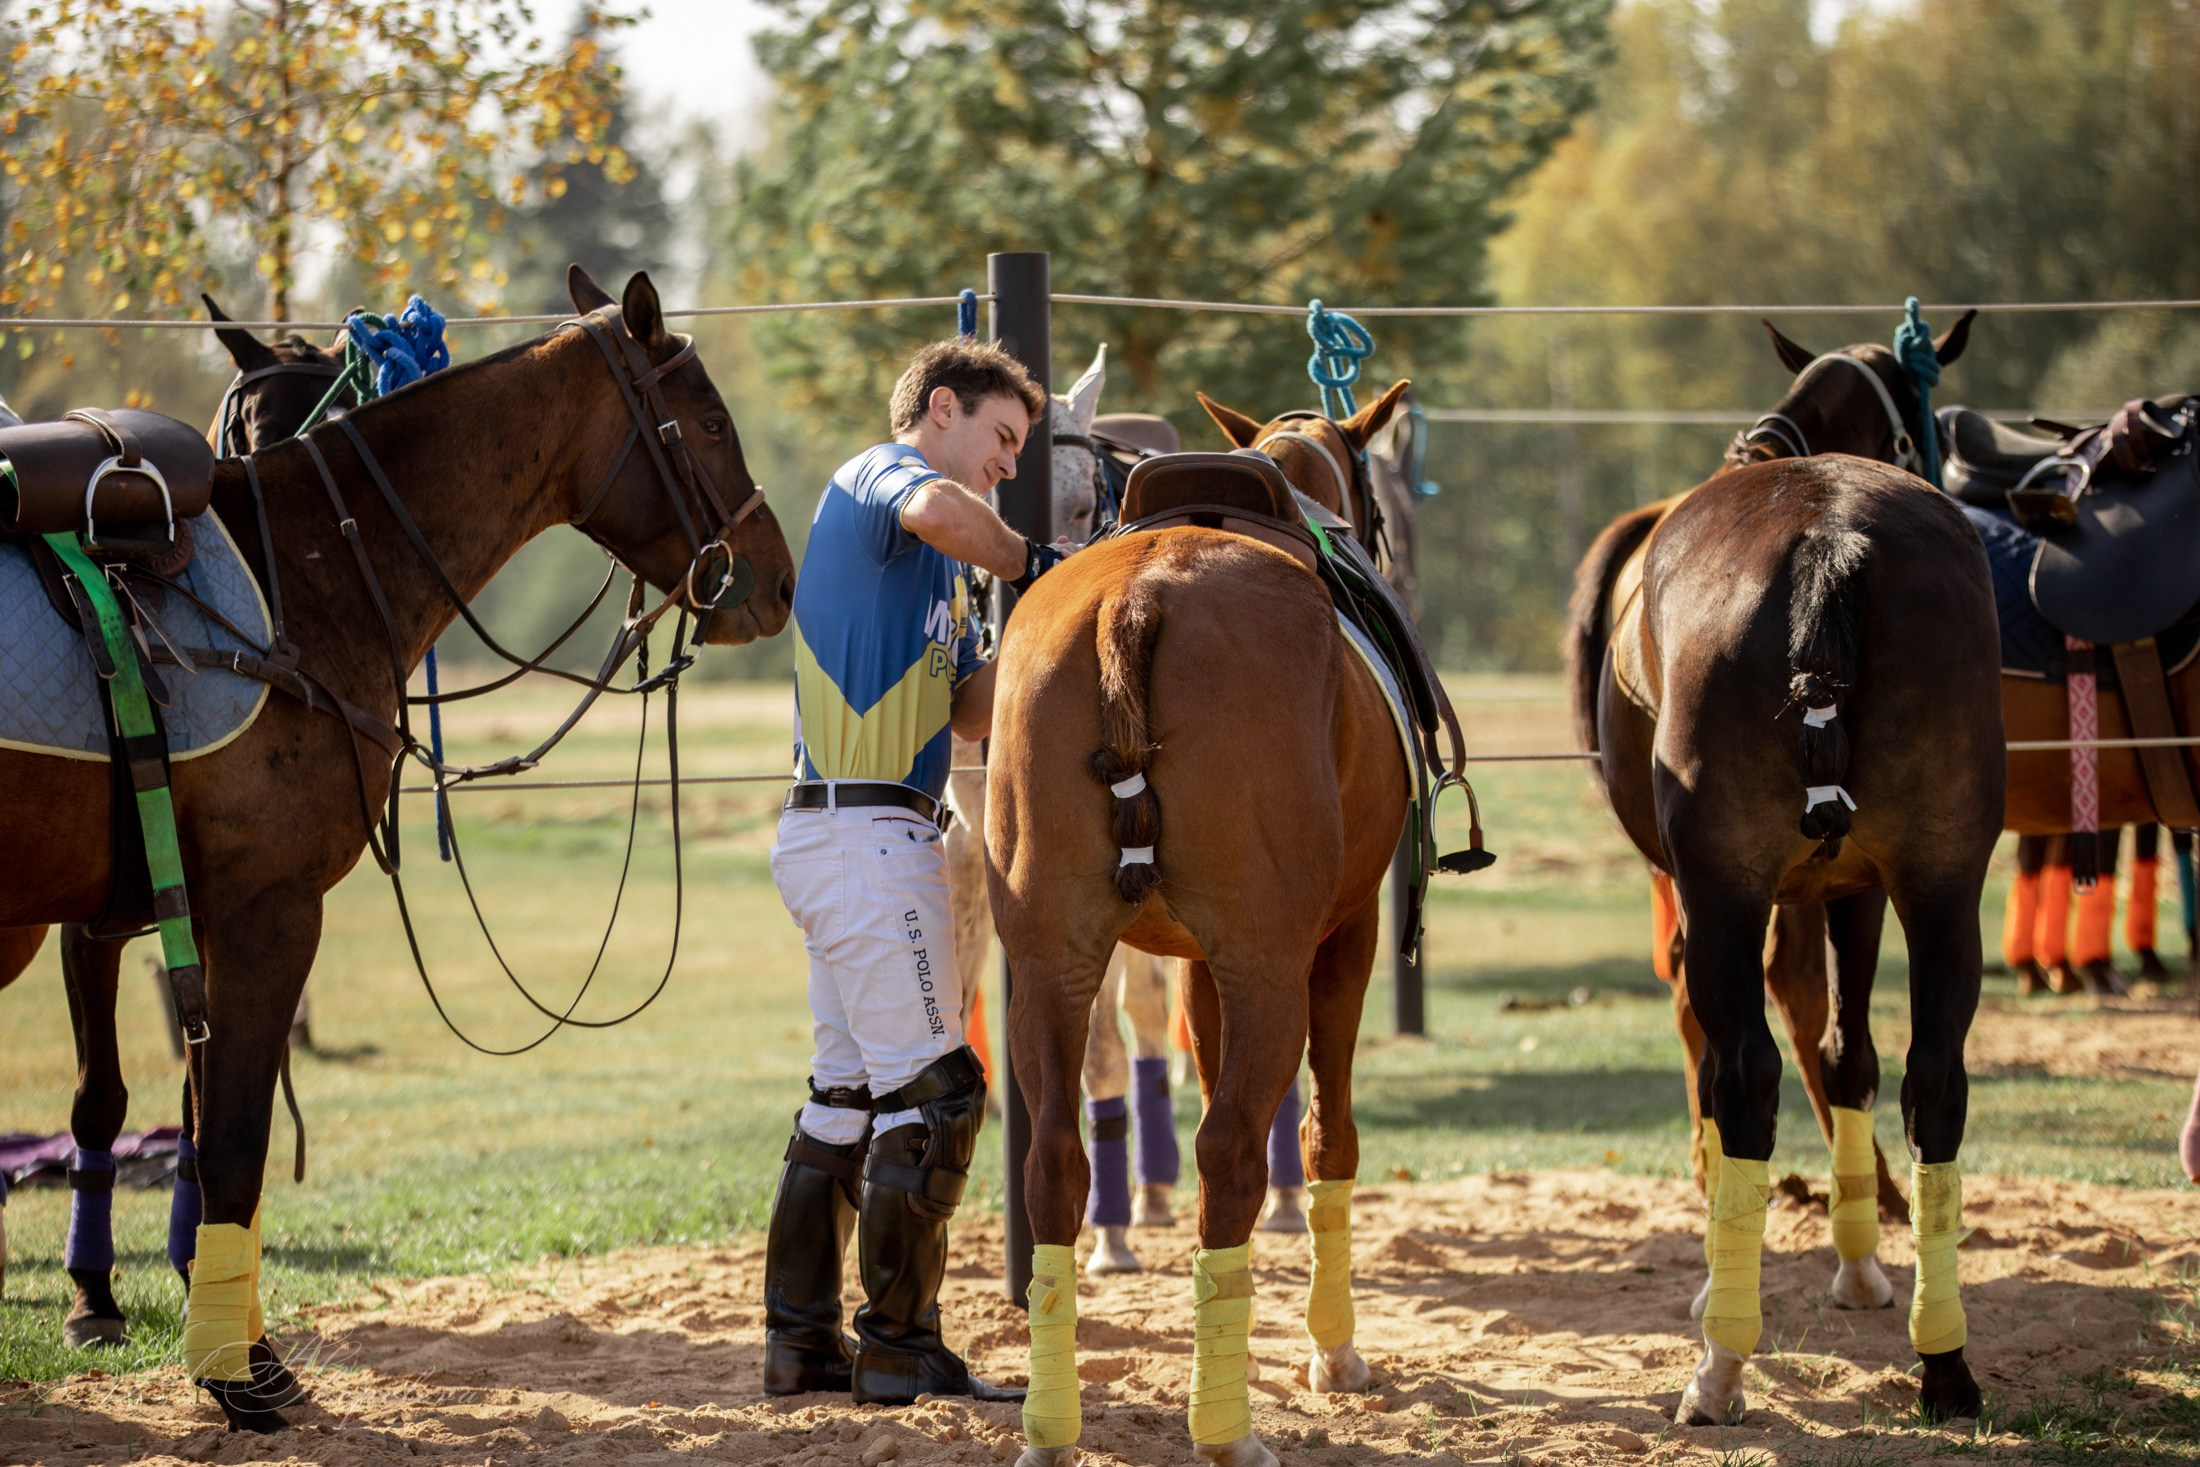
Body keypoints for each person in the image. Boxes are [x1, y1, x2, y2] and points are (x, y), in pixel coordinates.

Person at [763, 339, 1063, 1404]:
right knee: (937, 1096)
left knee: (844, 1099)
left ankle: (799, 1343)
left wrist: (1041, 617)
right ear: (940, 409)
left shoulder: (926, 568)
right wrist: (1030, 559)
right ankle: (897, 1344)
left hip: (842, 836)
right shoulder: (882, 476)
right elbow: (946, 511)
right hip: (869, 841)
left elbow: (972, 710)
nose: (1005, 466)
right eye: (1001, 439)